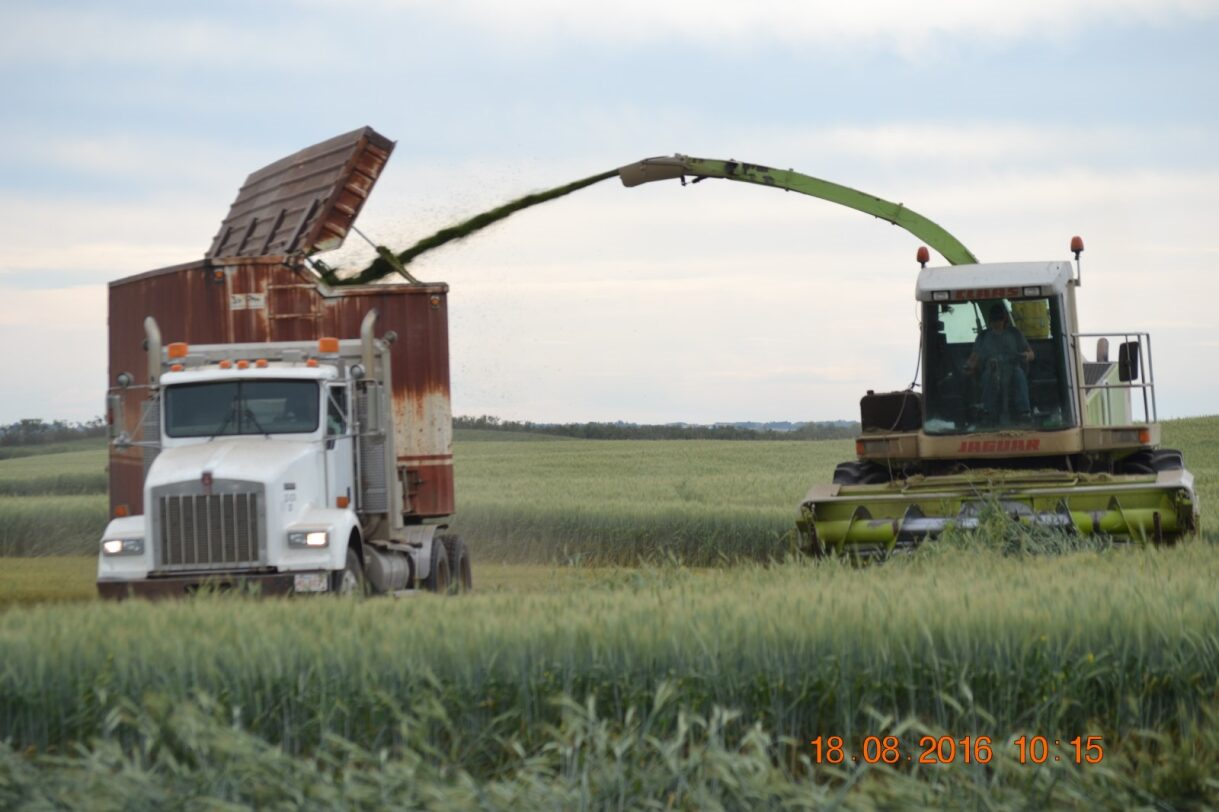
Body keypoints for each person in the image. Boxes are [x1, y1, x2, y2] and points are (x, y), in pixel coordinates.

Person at [964, 302, 1034, 424]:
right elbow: (974, 357)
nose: (997, 323)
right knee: (988, 376)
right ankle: (988, 412)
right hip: (991, 370)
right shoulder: (983, 337)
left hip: (1012, 369)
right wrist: (969, 366)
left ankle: (1024, 412)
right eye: (994, 320)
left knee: (1018, 374)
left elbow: (1031, 353)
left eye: (999, 320)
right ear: (990, 321)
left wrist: (1025, 356)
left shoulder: (1015, 334)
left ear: (1004, 319)